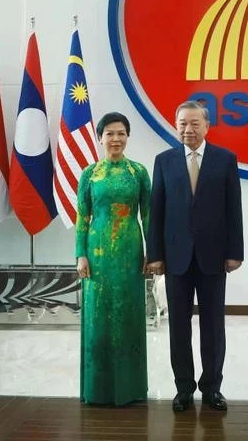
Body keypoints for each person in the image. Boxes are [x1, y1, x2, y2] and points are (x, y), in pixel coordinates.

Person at [146, 100, 244, 412]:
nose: (188, 129)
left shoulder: (225, 159)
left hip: (214, 256)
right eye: (182, 124)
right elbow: (156, 212)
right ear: (176, 126)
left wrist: (235, 252)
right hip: (175, 257)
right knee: (178, 325)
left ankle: (212, 387)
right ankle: (184, 388)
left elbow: (233, 209)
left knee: (213, 325)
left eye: (194, 124)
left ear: (207, 126)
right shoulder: (164, 161)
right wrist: (155, 255)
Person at [75, 111, 151, 405]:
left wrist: (152, 253)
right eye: (110, 133)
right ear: (100, 138)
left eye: (121, 133)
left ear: (127, 137)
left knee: (129, 313)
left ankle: (130, 389)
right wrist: (80, 254)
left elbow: (148, 214)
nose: (116, 139)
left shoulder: (139, 173)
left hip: (131, 252)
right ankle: (97, 389)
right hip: (96, 254)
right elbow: (83, 217)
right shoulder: (90, 174)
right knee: (98, 315)